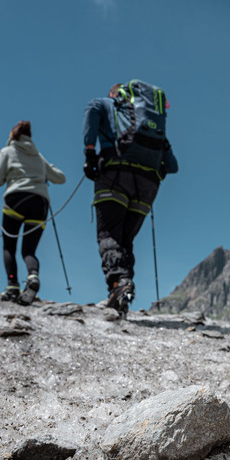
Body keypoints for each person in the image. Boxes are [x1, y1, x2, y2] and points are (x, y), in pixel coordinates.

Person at [83, 81, 178, 315]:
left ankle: (119, 283)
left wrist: (89, 152)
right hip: (147, 185)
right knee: (125, 239)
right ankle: (122, 295)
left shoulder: (107, 104)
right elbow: (173, 166)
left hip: (115, 174)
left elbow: (92, 110)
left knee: (109, 234)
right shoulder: (153, 128)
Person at [0, 120, 66, 304]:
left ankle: (12, 286)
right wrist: (44, 173)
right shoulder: (38, 157)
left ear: (12, 136)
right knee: (29, 250)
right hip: (39, 202)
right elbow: (60, 178)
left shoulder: (7, 152)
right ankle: (33, 276)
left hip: (16, 200)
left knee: (9, 246)